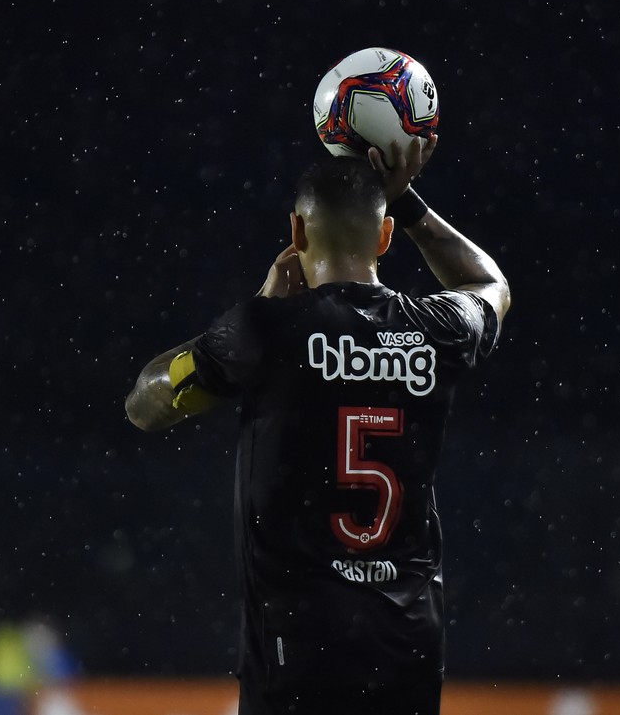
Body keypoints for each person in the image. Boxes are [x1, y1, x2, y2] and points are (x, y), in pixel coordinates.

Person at [125, 135, 509, 715]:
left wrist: (257, 308)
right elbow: (489, 286)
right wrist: (406, 201)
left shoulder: (264, 329)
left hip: (301, 641)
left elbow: (145, 404)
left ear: (297, 233)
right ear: (384, 237)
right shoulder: (434, 331)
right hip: (407, 638)